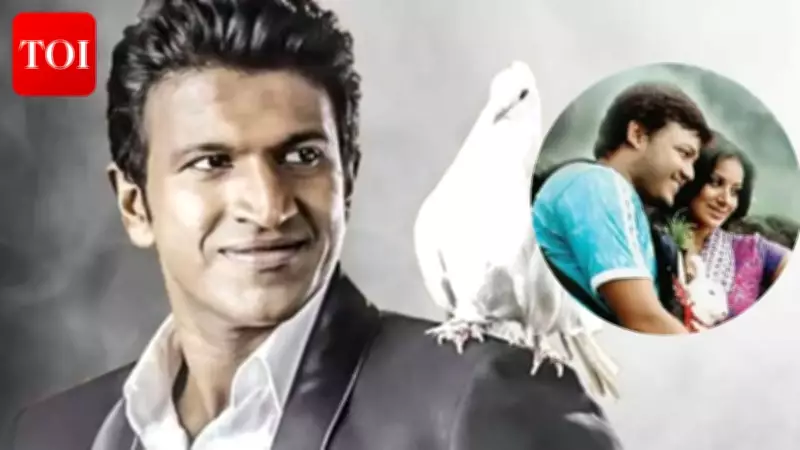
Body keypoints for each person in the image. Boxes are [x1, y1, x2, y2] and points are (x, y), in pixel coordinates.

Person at [10, 1, 624, 449]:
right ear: (134, 205)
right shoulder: (51, 435)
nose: (268, 206)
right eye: (212, 162)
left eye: (302, 156)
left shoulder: (480, 400)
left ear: (347, 179)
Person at [531, 82, 713, 335]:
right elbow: (644, 319)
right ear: (637, 135)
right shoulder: (597, 184)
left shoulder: (622, 202)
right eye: (684, 153)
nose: (689, 173)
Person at [667, 131, 792, 322]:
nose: (726, 200)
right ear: (693, 178)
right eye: (715, 183)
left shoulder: (753, 250)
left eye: (735, 192)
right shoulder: (658, 236)